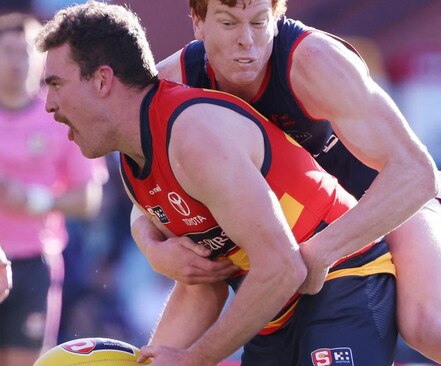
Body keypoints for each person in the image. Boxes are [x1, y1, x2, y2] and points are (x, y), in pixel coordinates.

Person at [131, 0, 441, 365]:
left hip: (388, 198)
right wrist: (153, 247)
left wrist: (321, 250)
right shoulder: (174, 81)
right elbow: (145, 193)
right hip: (298, 224)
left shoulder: (313, 61)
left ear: (278, 16)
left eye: (259, 22)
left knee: (430, 326)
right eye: (228, 23)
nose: (247, 41)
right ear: (197, 22)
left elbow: (413, 174)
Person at [36, 2, 398, 365]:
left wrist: (195, 358)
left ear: (102, 80)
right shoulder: (134, 164)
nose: (49, 104)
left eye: (55, 84)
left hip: (344, 277)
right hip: (273, 307)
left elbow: (284, 265)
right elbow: (203, 282)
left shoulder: (193, 136)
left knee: (432, 327)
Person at [0, 12, 106, 366]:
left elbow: (89, 199)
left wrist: (34, 200)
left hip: (35, 260)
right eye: (8, 51)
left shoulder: (58, 113)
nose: (17, 61)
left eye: (26, 51)